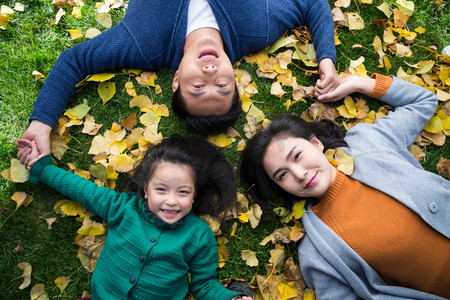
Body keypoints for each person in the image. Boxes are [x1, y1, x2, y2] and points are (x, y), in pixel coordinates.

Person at [18, 0, 339, 165]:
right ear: (235, 78)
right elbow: (311, 4)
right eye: (222, 87)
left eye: (198, 87)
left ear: (176, 83)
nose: (211, 74)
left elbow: (75, 62)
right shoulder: (258, 27)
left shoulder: (143, 44)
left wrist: (42, 124)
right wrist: (326, 58)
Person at [238, 74, 450, 299]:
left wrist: (360, 83)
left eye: (297, 155)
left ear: (316, 143)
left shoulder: (369, 142)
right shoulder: (317, 252)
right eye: (282, 175)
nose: (299, 174)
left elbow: (422, 101)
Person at [16, 136, 253, 300]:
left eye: (183, 192)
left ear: (194, 196)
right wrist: (43, 168)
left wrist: (229, 297)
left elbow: (204, 285)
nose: (171, 201)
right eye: (161, 190)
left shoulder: (198, 235)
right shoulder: (123, 207)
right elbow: (81, 190)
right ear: (146, 190)